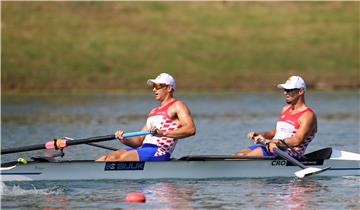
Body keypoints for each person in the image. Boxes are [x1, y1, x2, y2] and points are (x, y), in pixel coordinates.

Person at [96, 73, 196, 162]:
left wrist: (163, 133)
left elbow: (191, 129)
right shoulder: (154, 111)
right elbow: (138, 140)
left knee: (117, 159)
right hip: (144, 150)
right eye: (153, 86)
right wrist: (124, 139)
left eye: (157, 86)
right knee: (106, 158)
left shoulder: (177, 105)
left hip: (159, 151)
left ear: (169, 88)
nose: (154, 89)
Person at [235, 76, 317, 159]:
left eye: (289, 90)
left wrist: (273, 142)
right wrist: (261, 134)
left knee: (246, 157)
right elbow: (276, 132)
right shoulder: (285, 109)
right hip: (273, 146)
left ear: (300, 91)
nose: (285, 93)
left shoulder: (308, 115)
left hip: (290, 152)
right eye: (285, 90)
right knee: (239, 154)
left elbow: (297, 140)